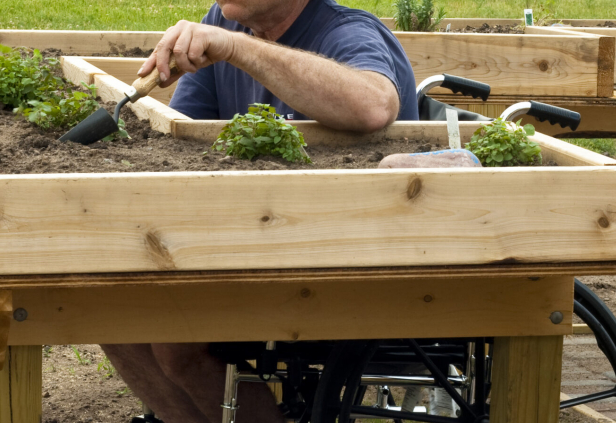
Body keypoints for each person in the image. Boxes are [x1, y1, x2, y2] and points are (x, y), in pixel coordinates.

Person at [101, 1, 417, 423]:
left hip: (348, 261)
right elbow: (182, 143)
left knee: (175, 342)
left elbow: (374, 105)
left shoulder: (346, 32)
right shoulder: (221, 22)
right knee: (111, 316)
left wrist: (236, 48)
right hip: (249, 249)